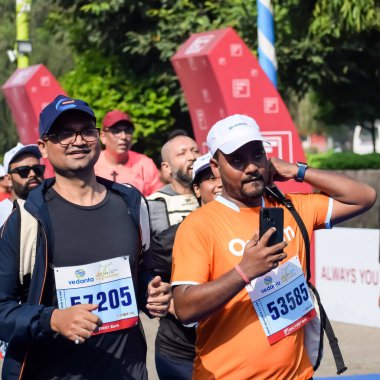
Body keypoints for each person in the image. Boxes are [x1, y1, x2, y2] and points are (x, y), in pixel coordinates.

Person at [171, 114, 377, 379]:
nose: (251, 167)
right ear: (215, 167)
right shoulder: (199, 225)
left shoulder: (291, 206)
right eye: (236, 160)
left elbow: (364, 197)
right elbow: (185, 308)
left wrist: (297, 171)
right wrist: (244, 272)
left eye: (257, 155)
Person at [0, 95, 171, 380]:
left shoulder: (130, 203)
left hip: (128, 371)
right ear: (43, 147)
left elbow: (143, 274)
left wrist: (152, 294)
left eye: (86, 131)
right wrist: (53, 319)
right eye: (64, 134)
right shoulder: (27, 218)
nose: (78, 140)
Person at [147, 134, 200, 379]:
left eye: (195, 150)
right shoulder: (154, 205)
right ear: (166, 168)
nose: (192, 157)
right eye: (182, 153)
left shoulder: (221, 198)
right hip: (178, 337)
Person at [94, 110, 162, 196]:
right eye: (116, 131)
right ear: (103, 136)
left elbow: (157, 200)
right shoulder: (92, 163)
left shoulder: (145, 164)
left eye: (128, 131)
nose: (123, 137)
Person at [0, 143, 44, 226]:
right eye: (23, 171)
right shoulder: (1, 214)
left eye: (37, 169)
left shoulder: (55, 206)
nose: (32, 174)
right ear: (8, 179)